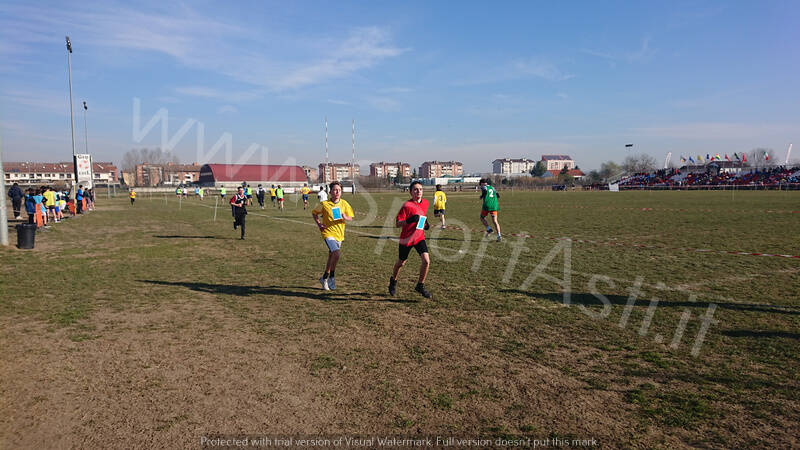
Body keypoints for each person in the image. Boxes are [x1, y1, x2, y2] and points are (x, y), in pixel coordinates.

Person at [388, 181, 432, 299]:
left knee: (426, 261)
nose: (419, 192)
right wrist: (410, 220)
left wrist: (426, 224)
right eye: (416, 189)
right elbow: (397, 224)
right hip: (406, 239)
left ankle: (420, 285)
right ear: (411, 192)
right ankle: (393, 280)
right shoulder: (406, 205)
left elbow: (423, 218)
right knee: (401, 263)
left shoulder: (426, 203)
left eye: (421, 189)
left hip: (419, 237)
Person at [311, 181, 353, 291]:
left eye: (339, 190)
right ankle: (332, 277)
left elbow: (350, 217)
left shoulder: (344, 204)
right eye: (335, 190)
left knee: (332, 256)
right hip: (328, 233)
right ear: (330, 192)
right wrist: (319, 224)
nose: (337, 192)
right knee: (336, 253)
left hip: (339, 234)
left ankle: (324, 278)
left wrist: (345, 217)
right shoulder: (324, 204)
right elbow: (314, 213)